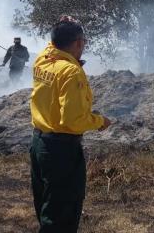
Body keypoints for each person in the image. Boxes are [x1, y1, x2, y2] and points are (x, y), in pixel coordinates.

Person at [29, 16, 112, 232]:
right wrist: (100, 121)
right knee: (62, 216)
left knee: (47, 208)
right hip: (61, 150)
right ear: (76, 43)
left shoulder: (43, 59)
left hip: (39, 144)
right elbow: (73, 121)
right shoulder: (71, 72)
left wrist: (61, 25)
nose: (84, 45)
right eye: (83, 41)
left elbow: (54, 41)